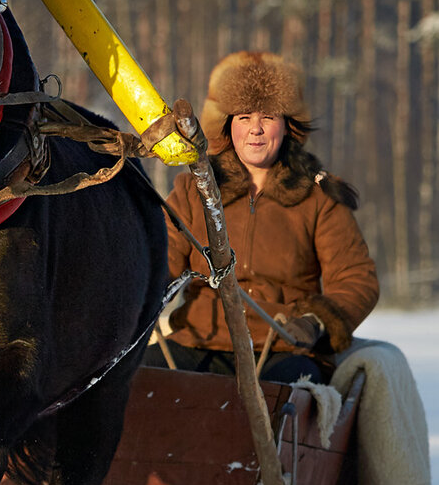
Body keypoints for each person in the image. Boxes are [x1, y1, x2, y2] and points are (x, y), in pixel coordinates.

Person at [145, 51, 379, 383]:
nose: (255, 129)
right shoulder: (192, 190)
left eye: (267, 117)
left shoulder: (319, 198)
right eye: (243, 117)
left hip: (283, 352)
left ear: (287, 126)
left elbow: (356, 279)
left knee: (279, 398)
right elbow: (157, 261)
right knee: (136, 382)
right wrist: (138, 293)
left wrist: (315, 322)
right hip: (198, 342)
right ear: (227, 127)